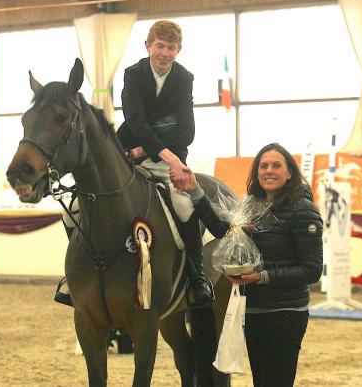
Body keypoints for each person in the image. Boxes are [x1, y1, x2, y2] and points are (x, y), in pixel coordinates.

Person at [172, 142, 323, 387]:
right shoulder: (252, 208)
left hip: (285, 314)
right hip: (254, 312)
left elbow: (312, 270)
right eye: (263, 166)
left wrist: (262, 276)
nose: (269, 171)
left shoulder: (303, 211)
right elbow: (223, 229)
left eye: (276, 165)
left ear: (290, 173)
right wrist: (195, 191)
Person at [116, 20, 214, 308]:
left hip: (157, 155)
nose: (165, 53)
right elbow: (136, 122)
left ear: (178, 50)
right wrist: (162, 152)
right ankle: (76, 278)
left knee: (184, 207)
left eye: (171, 48)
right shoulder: (133, 74)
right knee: (81, 206)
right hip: (126, 153)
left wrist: (147, 151)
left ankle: (197, 278)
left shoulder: (184, 78)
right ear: (148, 46)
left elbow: (187, 132)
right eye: (160, 46)